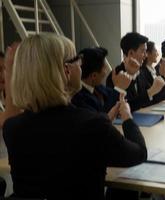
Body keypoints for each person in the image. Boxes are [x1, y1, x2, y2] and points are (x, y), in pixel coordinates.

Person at [3, 34, 147, 200]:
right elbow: (139, 154)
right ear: (67, 70)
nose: (81, 66)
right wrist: (127, 118)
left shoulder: (12, 128)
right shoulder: (91, 125)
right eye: (77, 60)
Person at [106, 32, 165, 112]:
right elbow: (125, 107)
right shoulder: (116, 75)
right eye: (143, 51)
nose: (146, 55)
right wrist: (150, 92)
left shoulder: (141, 72)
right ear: (131, 53)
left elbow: (150, 100)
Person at [71, 47, 122, 120]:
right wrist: (119, 88)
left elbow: (114, 98)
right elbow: (102, 118)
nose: (106, 72)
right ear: (94, 76)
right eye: (104, 68)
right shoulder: (79, 97)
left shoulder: (97, 87)